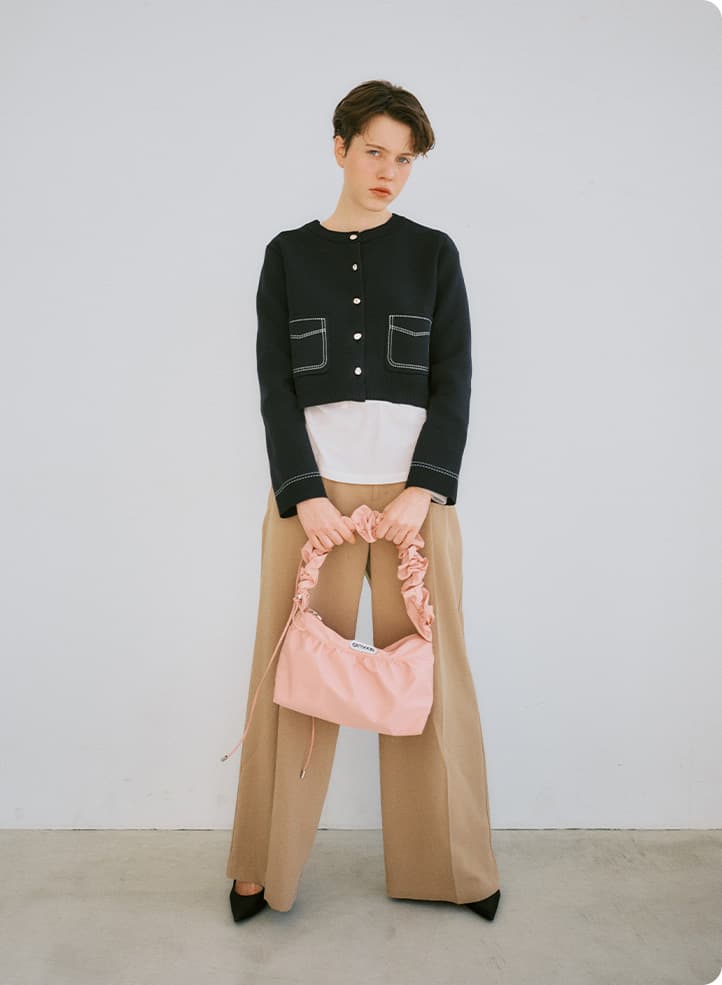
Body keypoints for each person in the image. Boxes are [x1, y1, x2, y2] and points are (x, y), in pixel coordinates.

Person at [223, 79, 502, 923]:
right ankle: (260, 866)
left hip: (418, 500)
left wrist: (425, 488)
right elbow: (275, 385)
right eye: (375, 151)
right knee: (289, 677)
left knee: (435, 675)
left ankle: (452, 868)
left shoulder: (434, 253)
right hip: (313, 501)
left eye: (404, 159)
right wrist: (303, 495)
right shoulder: (286, 256)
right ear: (340, 147)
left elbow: (454, 378)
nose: (388, 172)